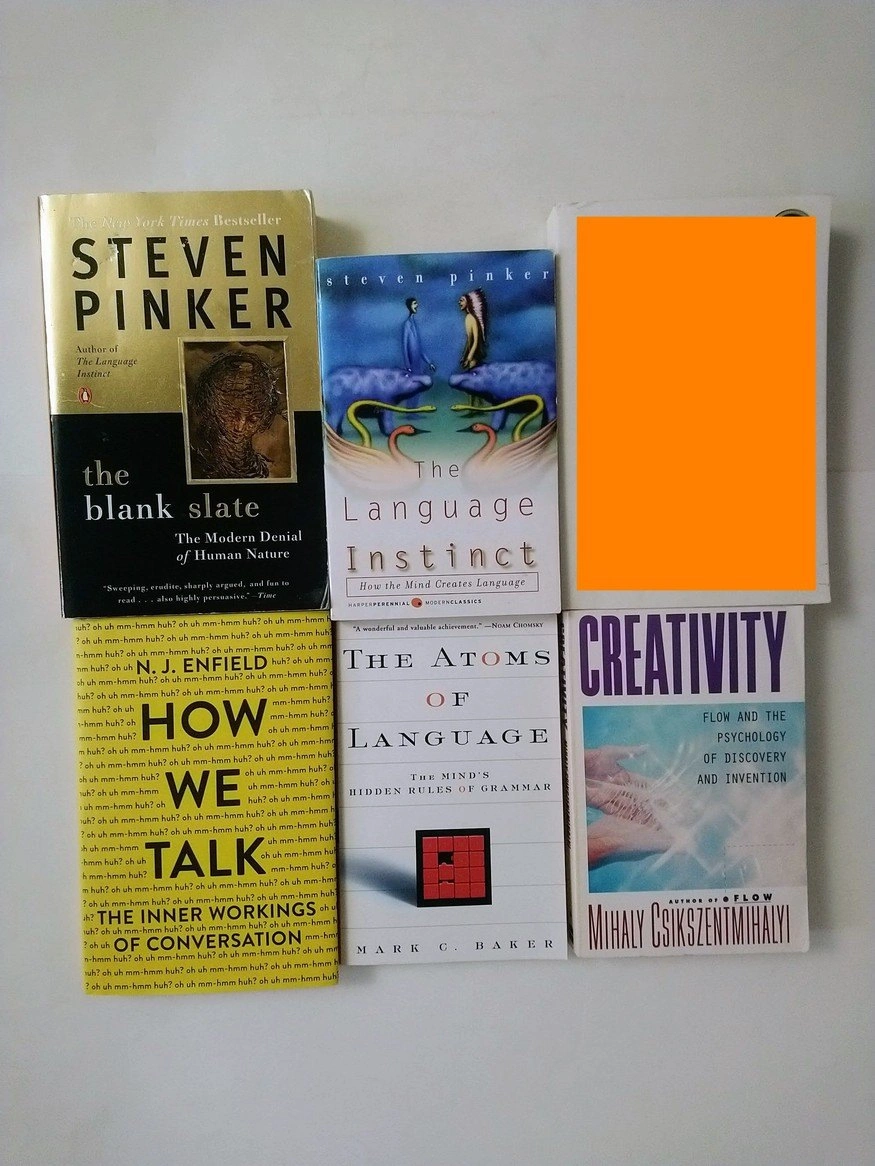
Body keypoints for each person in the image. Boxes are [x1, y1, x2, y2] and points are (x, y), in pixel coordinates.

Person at [187, 348, 288, 479]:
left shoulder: (267, 468)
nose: (239, 427)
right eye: (232, 415)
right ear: (212, 407)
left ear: (265, 417)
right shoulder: (195, 464)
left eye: (252, 419)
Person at [401, 297, 436, 375]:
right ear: (410, 306)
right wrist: (408, 367)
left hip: (418, 365)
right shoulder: (407, 324)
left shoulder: (414, 324)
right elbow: (405, 347)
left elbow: (419, 349)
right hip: (411, 367)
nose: (417, 305)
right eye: (414, 303)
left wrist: (429, 363)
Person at [458, 288, 487, 369]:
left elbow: (476, 341)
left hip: (475, 357)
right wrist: (464, 356)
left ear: (468, 302)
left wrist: (469, 358)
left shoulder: (471, 318)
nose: (459, 302)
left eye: (462, 300)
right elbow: (469, 340)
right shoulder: (468, 318)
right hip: (472, 356)